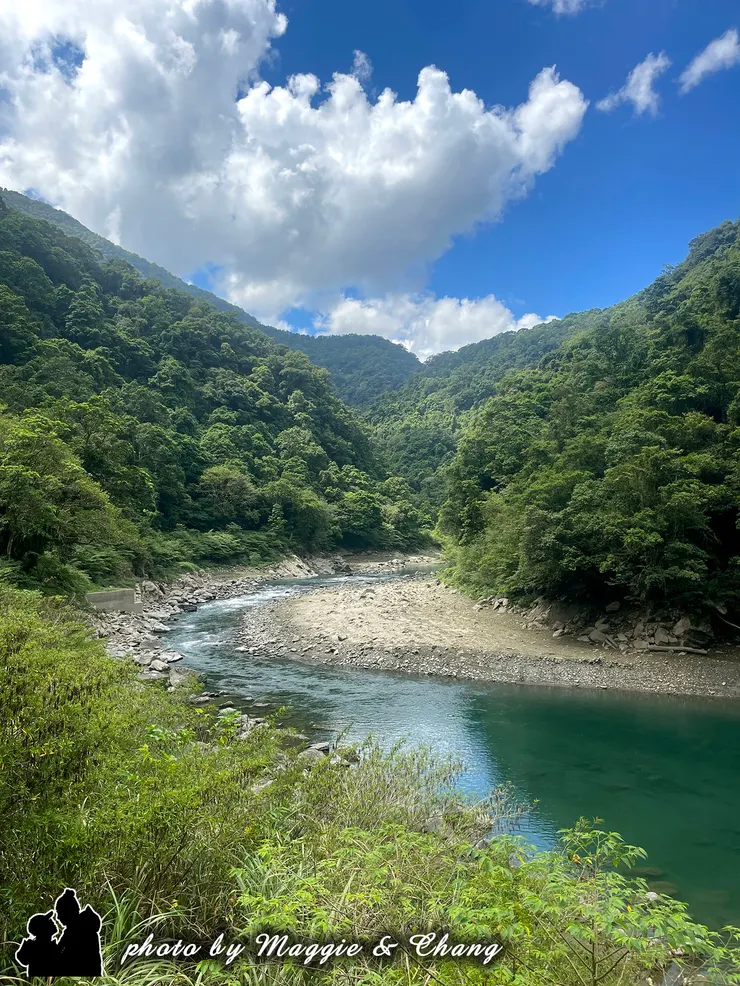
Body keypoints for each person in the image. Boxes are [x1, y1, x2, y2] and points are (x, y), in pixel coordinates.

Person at [54, 888, 103, 977]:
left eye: (59, 912)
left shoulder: (75, 932)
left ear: (67, 913)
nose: (57, 917)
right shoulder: (76, 929)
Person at [15, 911, 62, 978]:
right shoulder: (35, 947)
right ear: (42, 928)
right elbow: (23, 959)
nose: (53, 921)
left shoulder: (35, 945)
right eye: (49, 921)